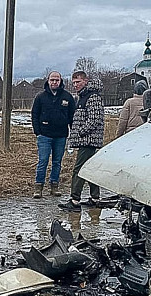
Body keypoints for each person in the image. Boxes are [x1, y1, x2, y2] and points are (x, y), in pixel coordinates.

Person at [58, 71, 104, 211]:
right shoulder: (83, 97)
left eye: (78, 82)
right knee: (90, 169)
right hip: (86, 139)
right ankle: (95, 198)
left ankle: (75, 200)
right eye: (73, 83)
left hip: (89, 140)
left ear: (86, 81)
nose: (75, 85)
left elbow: (95, 119)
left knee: (79, 169)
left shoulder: (93, 97)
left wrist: (81, 131)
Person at [30, 71, 76, 198]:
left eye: (57, 80)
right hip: (44, 135)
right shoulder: (40, 97)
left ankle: (54, 186)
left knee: (57, 162)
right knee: (43, 161)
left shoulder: (67, 97)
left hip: (61, 135)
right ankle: (38, 187)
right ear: (48, 81)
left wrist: (73, 133)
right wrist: (37, 132)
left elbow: (72, 116)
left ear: (61, 81)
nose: (54, 82)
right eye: (52, 80)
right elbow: (34, 114)